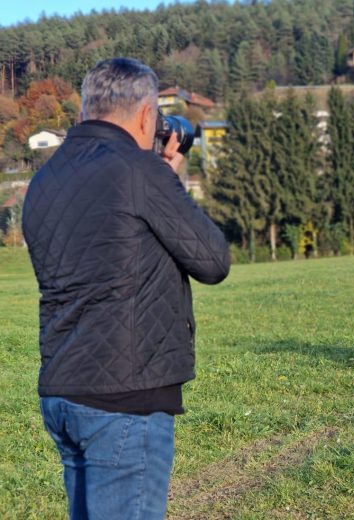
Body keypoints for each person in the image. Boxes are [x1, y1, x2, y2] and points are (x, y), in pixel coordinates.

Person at [22, 58, 231, 519]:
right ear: (144, 115)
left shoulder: (44, 181)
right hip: (125, 400)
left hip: (63, 392)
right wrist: (170, 181)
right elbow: (213, 261)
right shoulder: (141, 172)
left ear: (86, 111)